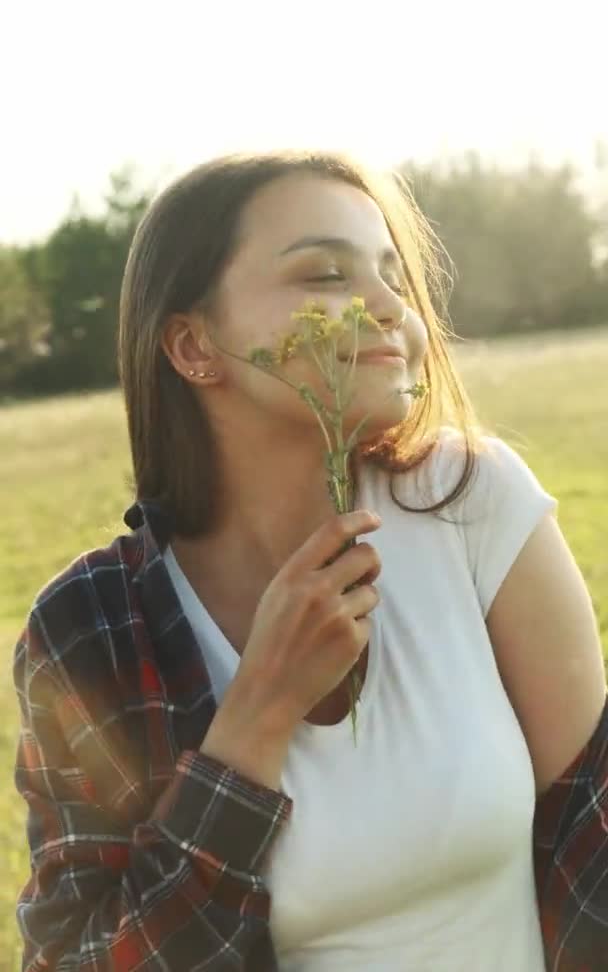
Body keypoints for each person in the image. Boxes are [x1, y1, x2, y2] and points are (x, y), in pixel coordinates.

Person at [13, 149, 608, 971]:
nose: (389, 306)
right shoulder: (91, 628)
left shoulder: (470, 500)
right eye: (325, 275)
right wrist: (255, 717)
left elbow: (595, 841)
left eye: (394, 273)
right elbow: (80, 958)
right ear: (193, 345)